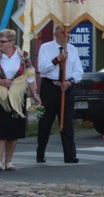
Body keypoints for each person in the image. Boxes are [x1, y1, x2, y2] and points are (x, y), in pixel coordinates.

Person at [0, 29, 42, 171]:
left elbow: (30, 76)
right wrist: (1, 82)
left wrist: (35, 94)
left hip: (18, 97)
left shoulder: (23, 56)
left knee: (14, 129)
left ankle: (9, 161)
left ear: (12, 42)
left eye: (3, 41)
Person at [36, 25, 84, 164]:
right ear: (56, 33)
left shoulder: (73, 49)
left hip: (66, 87)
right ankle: (41, 153)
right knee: (46, 121)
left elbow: (78, 71)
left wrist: (70, 82)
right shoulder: (46, 47)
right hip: (50, 86)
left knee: (67, 121)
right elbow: (42, 68)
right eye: (64, 32)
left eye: (68, 33)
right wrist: (57, 59)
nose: (66, 35)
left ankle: (70, 155)